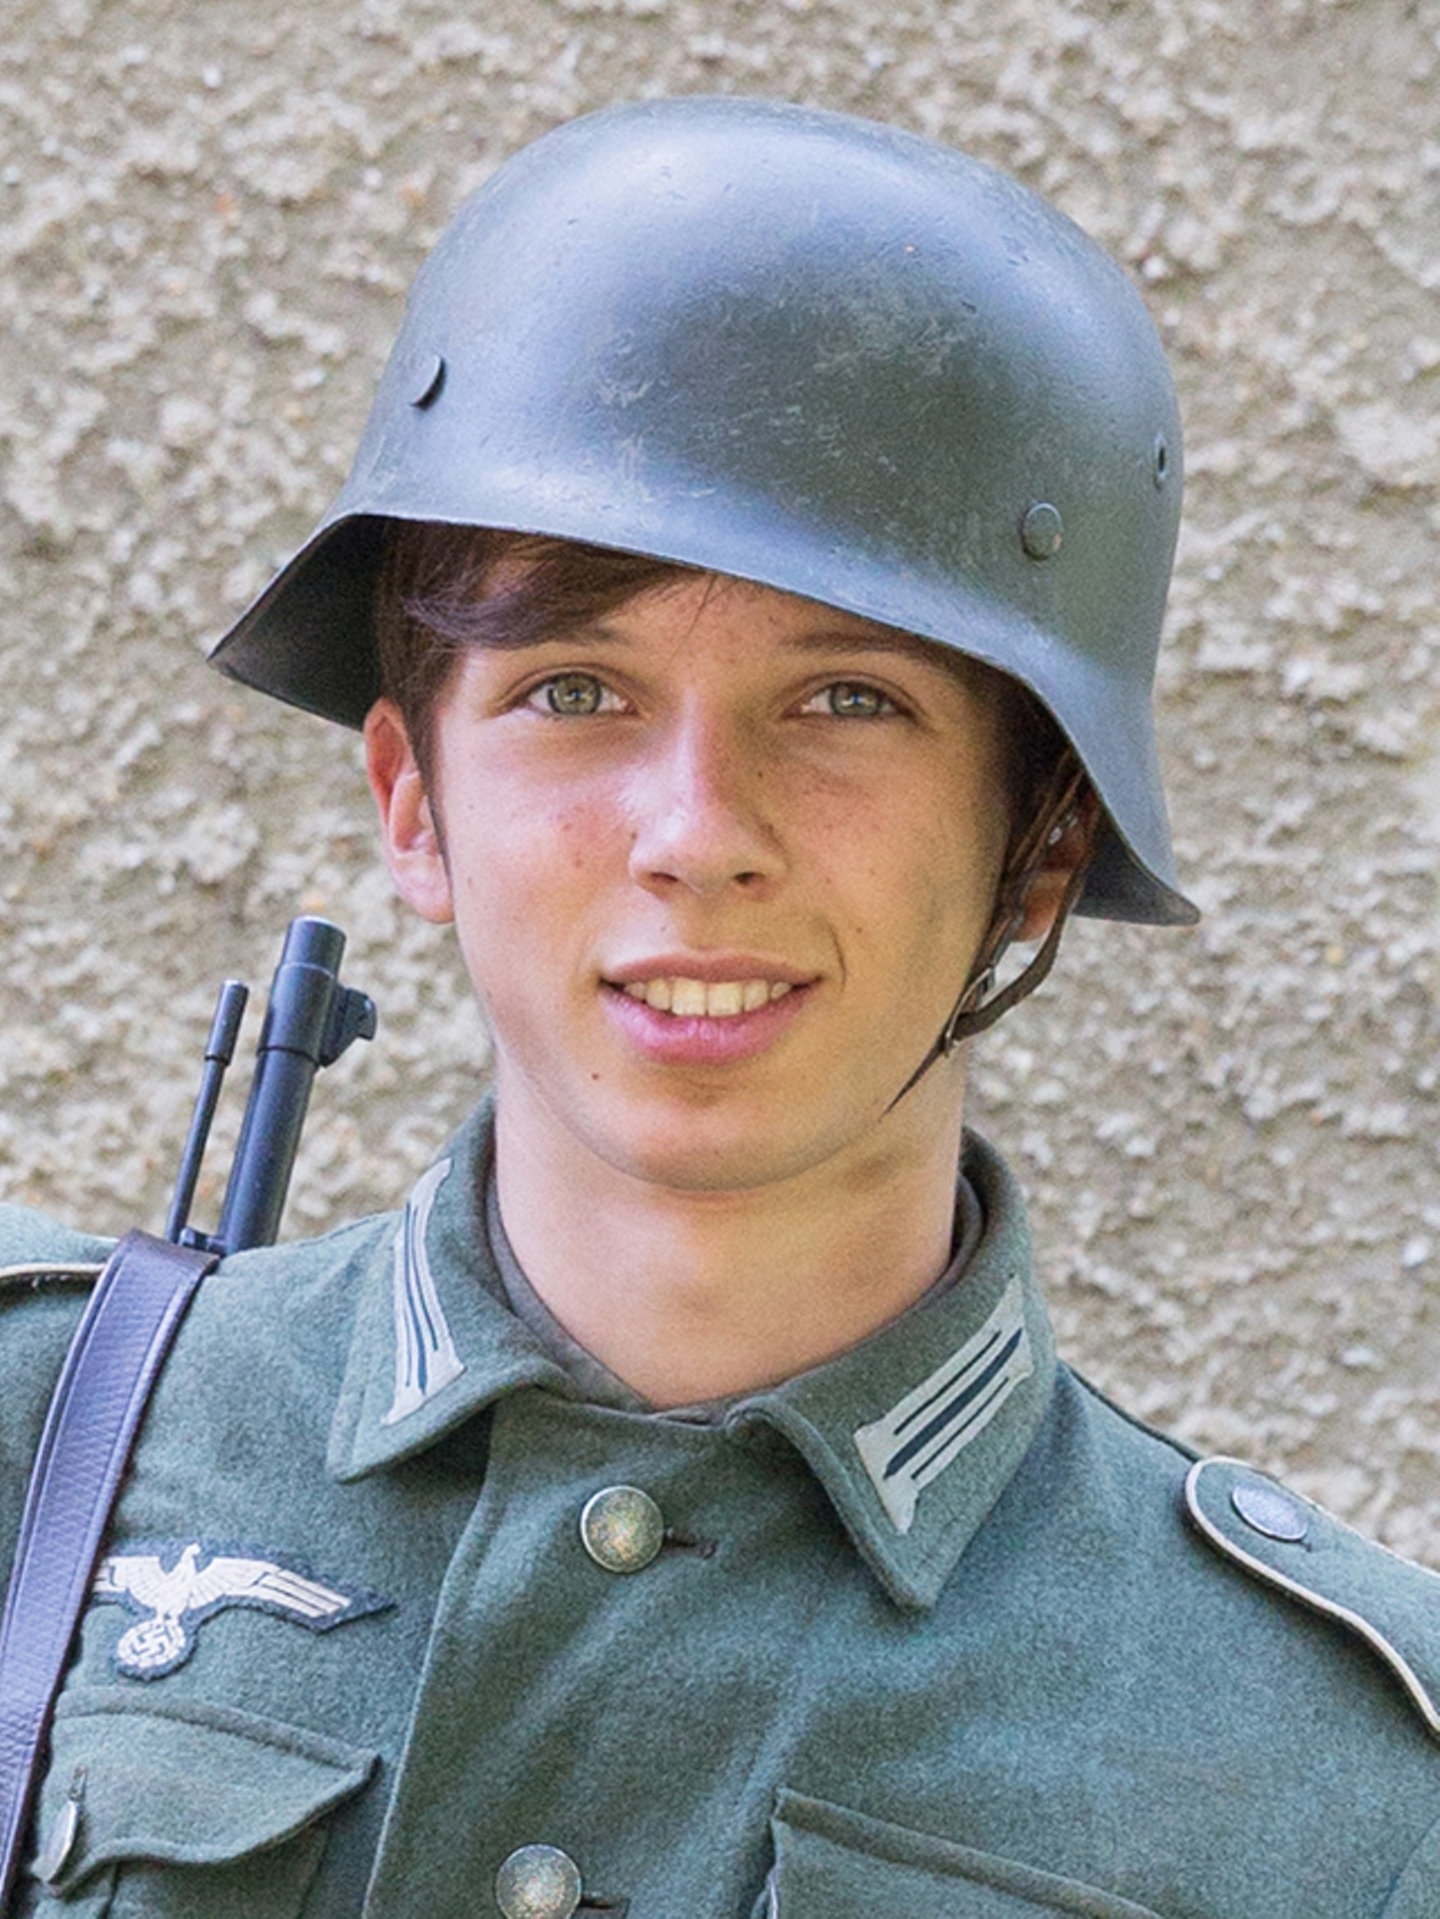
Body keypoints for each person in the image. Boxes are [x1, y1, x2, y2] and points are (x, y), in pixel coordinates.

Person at [3, 94, 1439, 1919]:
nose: (697, 836)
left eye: (848, 702)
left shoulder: (1338, 1787)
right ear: (413, 804)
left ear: (1042, 846)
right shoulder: (42, 1440)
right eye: (574, 690)